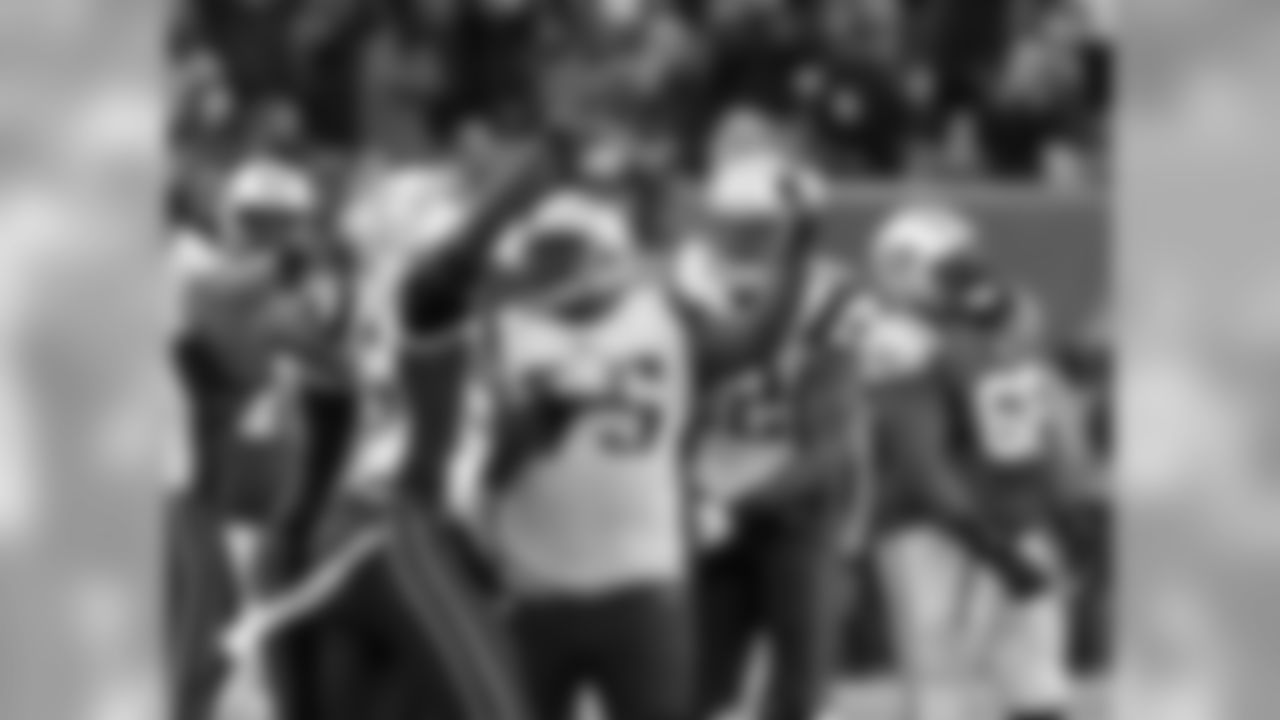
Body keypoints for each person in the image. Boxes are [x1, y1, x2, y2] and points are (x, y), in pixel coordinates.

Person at [464, 186, 699, 720]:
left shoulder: (665, 319)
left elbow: (730, 375)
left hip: (642, 580)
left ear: (607, 253)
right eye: (547, 251)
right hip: (531, 586)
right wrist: (538, 419)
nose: (556, 264)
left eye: (569, 250)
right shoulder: (500, 333)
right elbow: (482, 469)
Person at [859, 200, 1078, 720]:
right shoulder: (899, 342)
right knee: (943, 686)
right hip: (934, 531)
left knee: (1037, 684)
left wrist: (1052, 517)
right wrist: (998, 548)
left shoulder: (991, 325)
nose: (972, 272)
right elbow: (921, 468)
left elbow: (1030, 436)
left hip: (1012, 522)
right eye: (953, 263)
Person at [678, 148, 868, 720]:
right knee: (693, 687)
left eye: (760, 227)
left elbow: (828, 440)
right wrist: (689, 496)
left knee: (799, 689)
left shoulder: (829, 291)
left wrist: (737, 503)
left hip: (796, 506)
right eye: (733, 224)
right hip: (703, 497)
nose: (744, 241)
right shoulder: (683, 281)